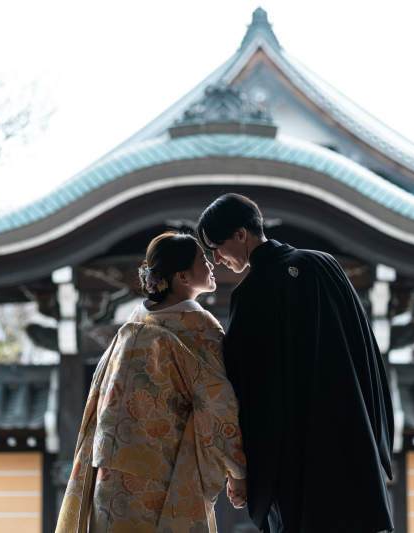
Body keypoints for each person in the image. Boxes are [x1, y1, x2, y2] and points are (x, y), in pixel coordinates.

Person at [197, 194, 394, 533]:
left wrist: (242, 471)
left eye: (217, 246)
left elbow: (246, 388)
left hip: (297, 454)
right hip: (352, 435)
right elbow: (366, 353)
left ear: (241, 234)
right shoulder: (325, 264)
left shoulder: (251, 292)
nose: (216, 258)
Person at [56, 231, 247, 533]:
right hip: (163, 471)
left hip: (109, 465)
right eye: (202, 259)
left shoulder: (135, 321)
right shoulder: (199, 329)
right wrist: (237, 471)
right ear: (182, 277)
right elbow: (217, 402)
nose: (211, 264)